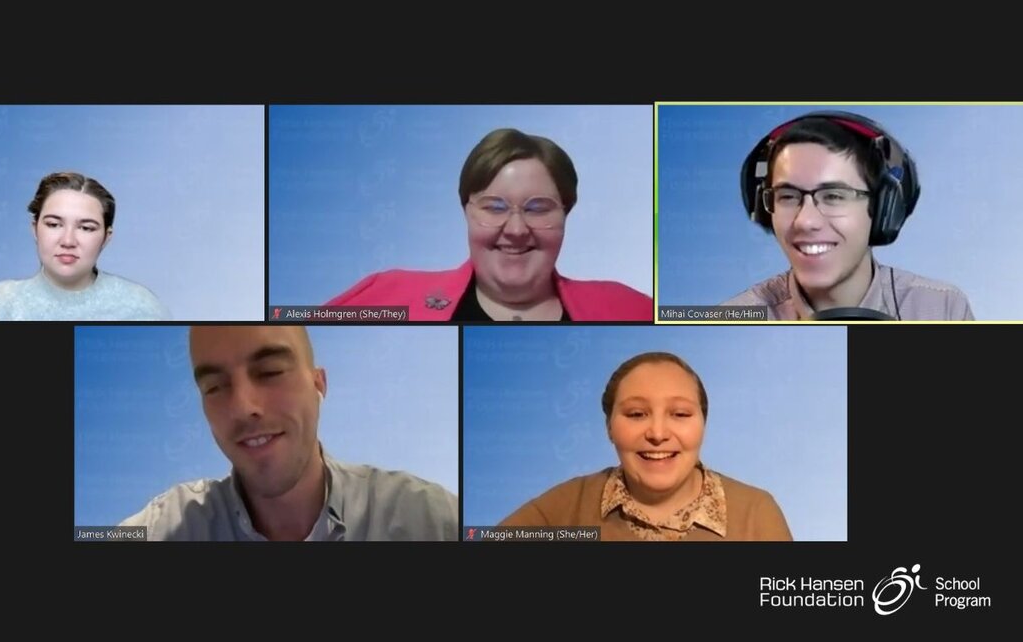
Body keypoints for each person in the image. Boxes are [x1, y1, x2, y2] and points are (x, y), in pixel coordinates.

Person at [120, 325, 459, 541]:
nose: (243, 406)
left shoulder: (430, 520)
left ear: (318, 384)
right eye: (214, 387)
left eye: (270, 372)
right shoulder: (166, 529)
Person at [325, 128, 653, 321]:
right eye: (494, 207)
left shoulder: (632, 310)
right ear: (465, 210)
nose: (515, 229)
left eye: (538, 208)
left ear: (566, 213)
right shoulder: (383, 299)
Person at [499, 352, 792, 541]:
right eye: (637, 414)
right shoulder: (567, 507)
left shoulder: (756, 513)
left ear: (703, 424)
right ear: (609, 427)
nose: (658, 433)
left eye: (679, 414)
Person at [723, 111, 974, 321]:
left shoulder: (941, 308)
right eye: (787, 196)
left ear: (884, 208)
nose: (805, 221)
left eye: (833, 196)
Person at [0, 171, 168, 320]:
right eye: (54, 225)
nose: (68, 241)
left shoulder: (140, 307)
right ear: (35, 229)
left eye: (86, 228)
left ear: (106, 238)